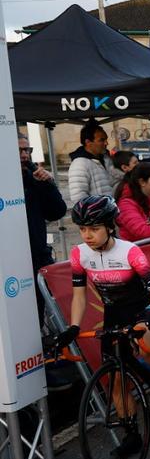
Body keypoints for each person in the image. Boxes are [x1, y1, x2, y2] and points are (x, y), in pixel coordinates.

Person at [56, 196, 150, 459]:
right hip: (114, 314)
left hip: (143, 308)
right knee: (115, 379)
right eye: (83, 229)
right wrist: (73, 327)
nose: (87, 235)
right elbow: (80, 296)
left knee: (145, 345)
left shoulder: (129, 251)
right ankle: (132, 435)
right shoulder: (79, 254)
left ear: (109, 226)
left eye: (93, 229)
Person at [17, 134, 67, 321]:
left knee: (37, 315)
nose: (24, 155)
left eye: (27, 150)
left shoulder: (33, 178)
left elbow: (57, 212)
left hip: (37, 258)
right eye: (19, 151)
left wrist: (48, 185)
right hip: (11, 263)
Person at [67, 120, 121, 203]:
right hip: (98, 215)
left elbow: (113, 183)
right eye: (101, 140)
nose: (106, 143)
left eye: (106, 139)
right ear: (88, 142)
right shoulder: (79, 164)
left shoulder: (106, 159)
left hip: (113, 212)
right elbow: (78, 199)